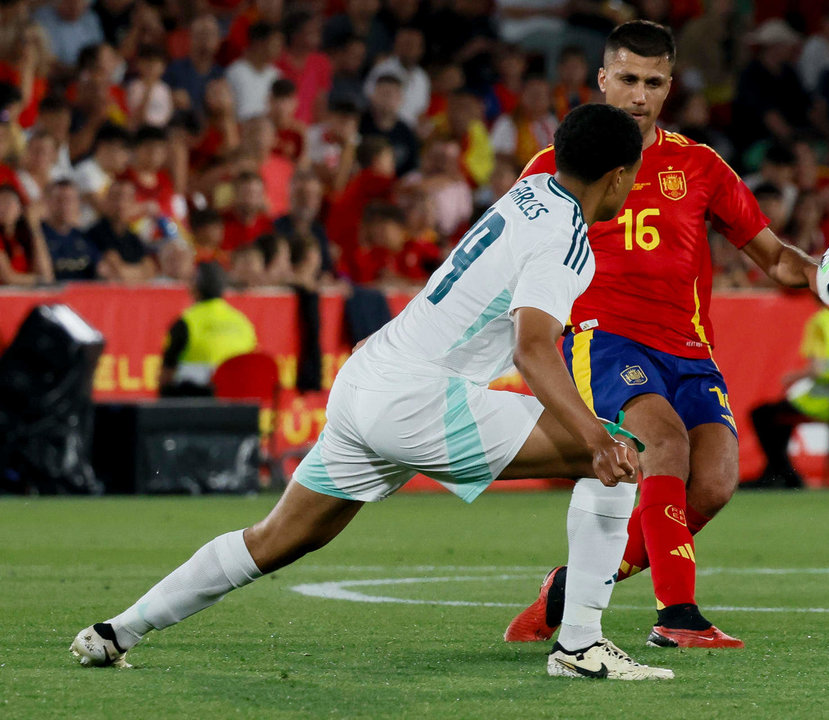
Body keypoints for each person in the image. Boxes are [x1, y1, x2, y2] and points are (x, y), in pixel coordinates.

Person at [71, 103, 673, 681]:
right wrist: (594, 436)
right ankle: (581, 644)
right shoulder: (567, 237)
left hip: (368, 380)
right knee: (617, 455)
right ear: (618, 178)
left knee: (277, 538)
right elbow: (533, 347)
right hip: (422, 400)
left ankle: (115, 631)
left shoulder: (525, 193)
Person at [504, 21, 819, 650]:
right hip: (605, 340)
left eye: (653, 82)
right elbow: (506, 255)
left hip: (689, 348)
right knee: (664, 446)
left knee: (716, 481)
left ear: (670, 86)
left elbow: (777, 259)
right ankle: (678, 617)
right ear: (602, 79)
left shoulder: (700, 166)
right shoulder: (554, 166)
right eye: (626, 79)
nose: (638, 95)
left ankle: (568, 589)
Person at [744, 307, 829, 490]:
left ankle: (783, 473)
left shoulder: (821, 321)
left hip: (822, 402)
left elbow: (817, 370)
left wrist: (792, 377)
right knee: (779, 416)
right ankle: (780, 473)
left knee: (762, 414)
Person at [158, 261, 257, 397]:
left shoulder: (186, 322)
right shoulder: (244, 322)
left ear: (194, 288)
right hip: (238, 405)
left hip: (196, 405)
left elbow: (166, 375)